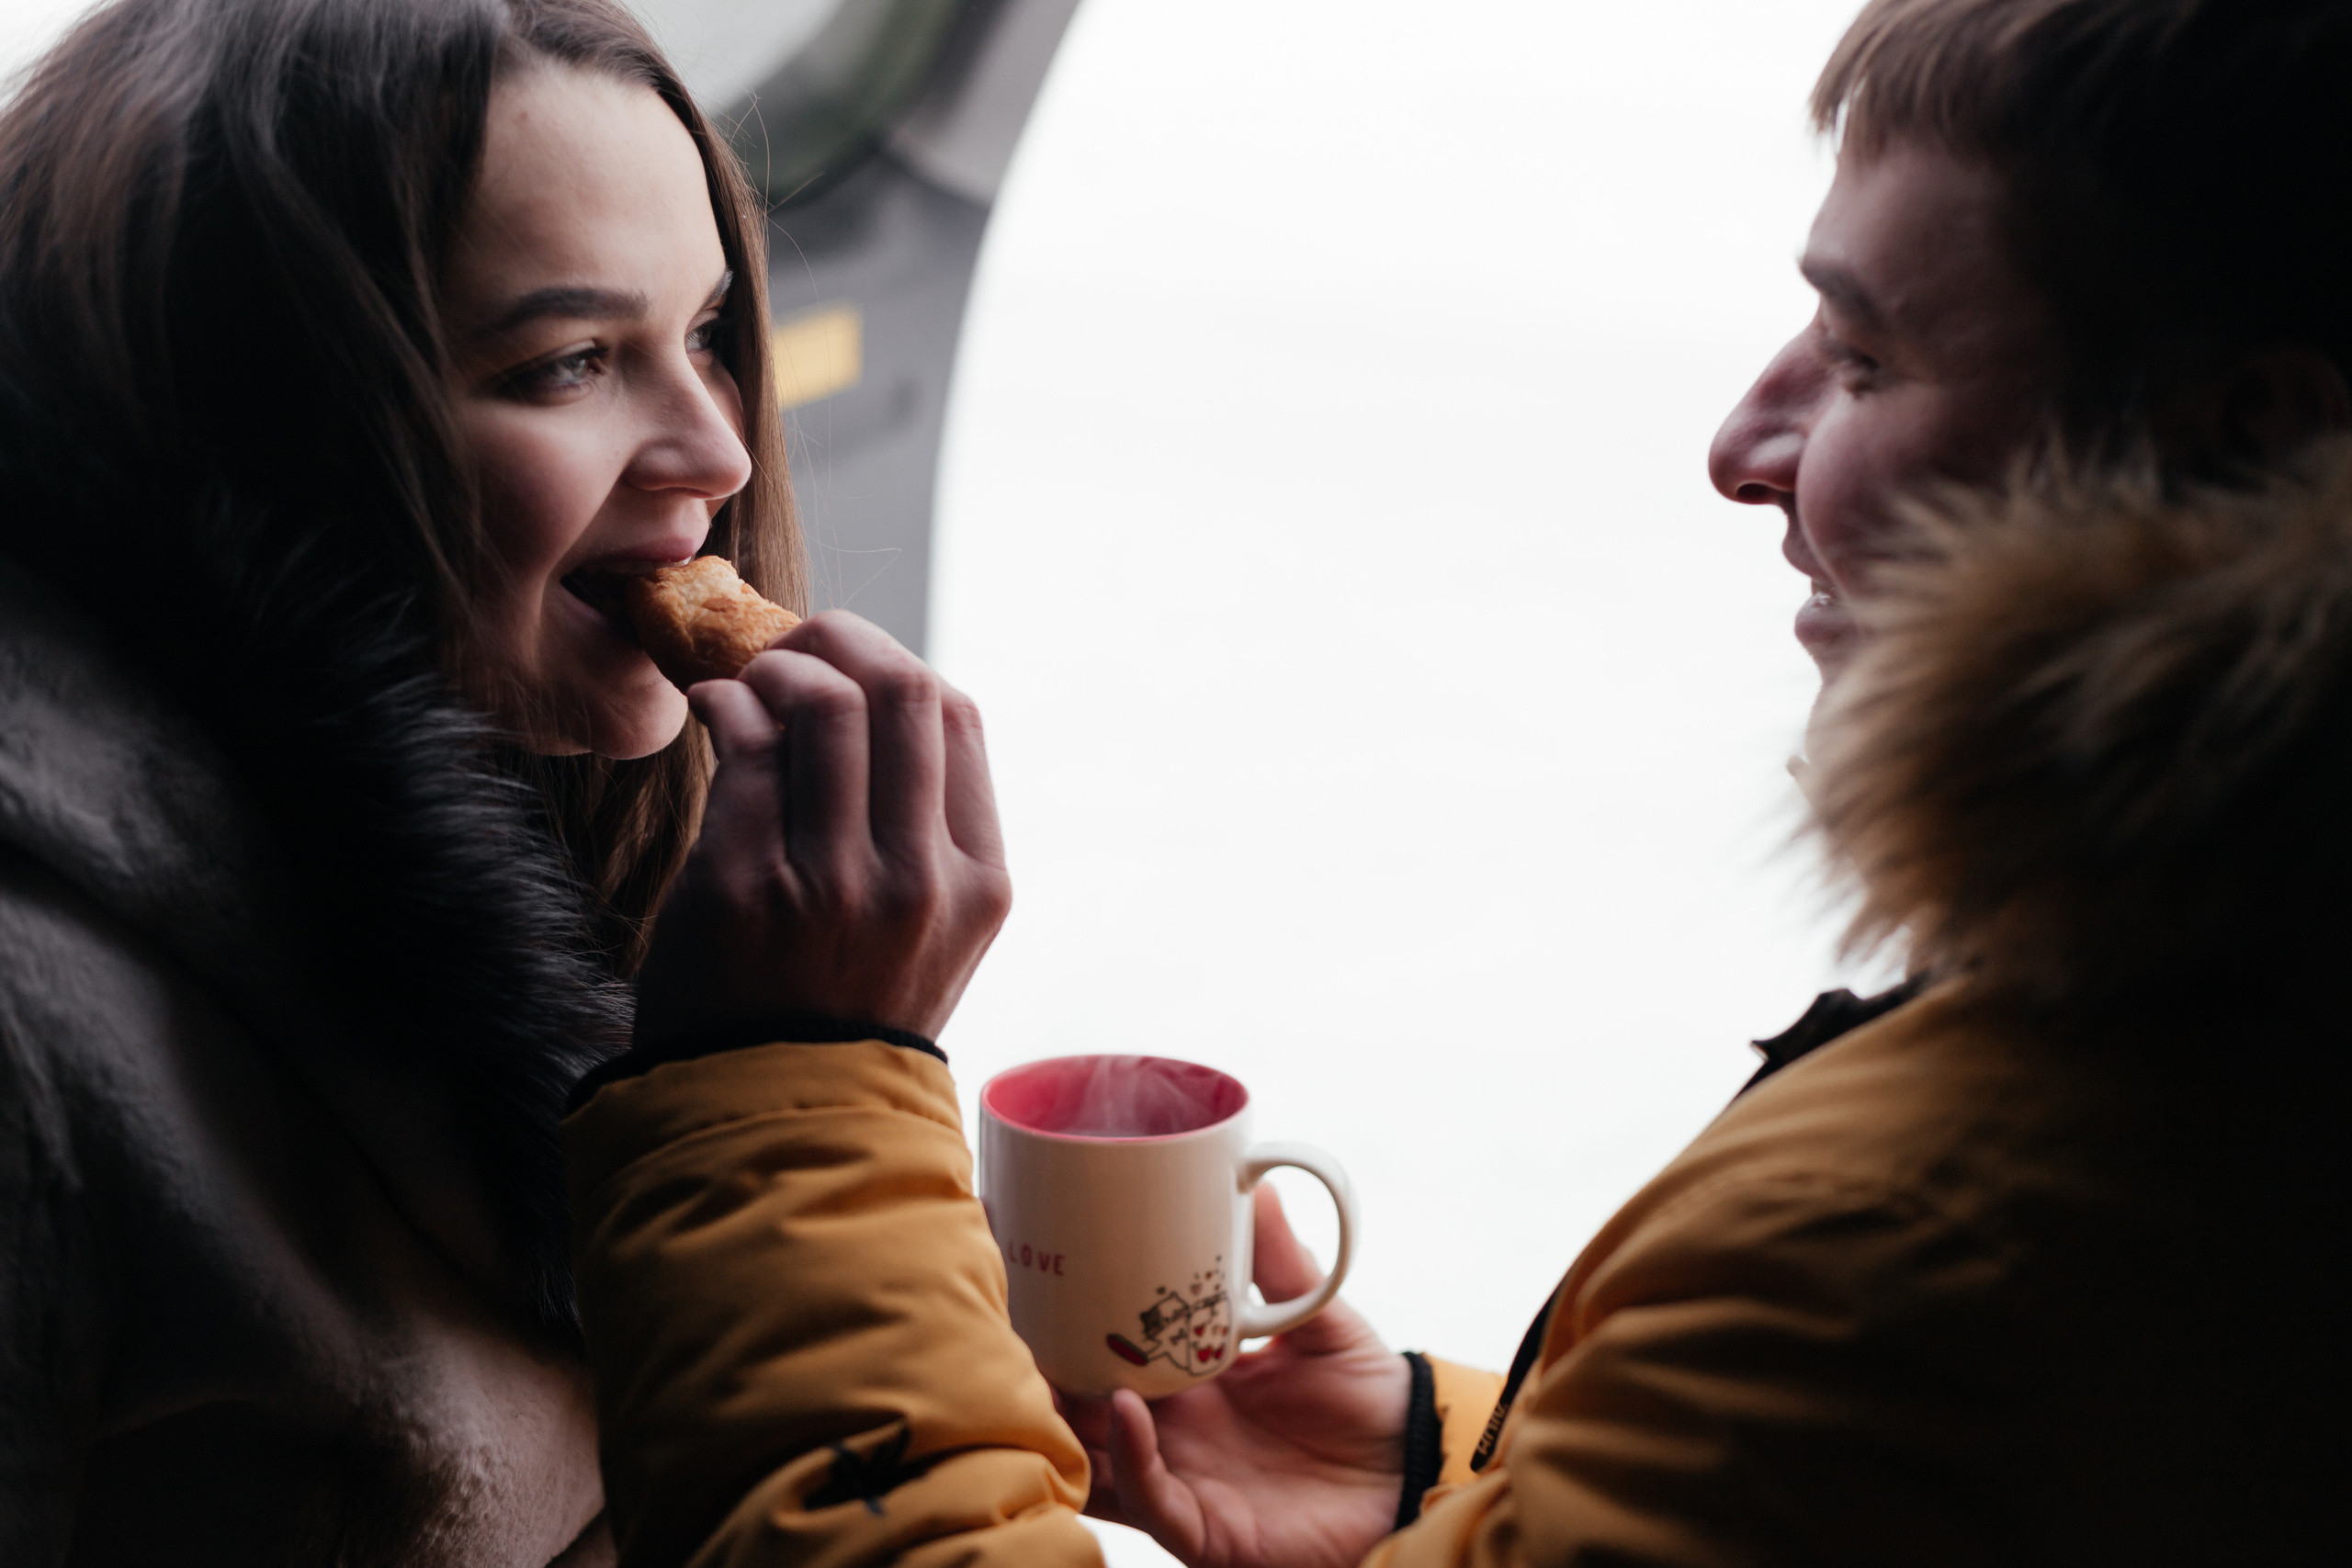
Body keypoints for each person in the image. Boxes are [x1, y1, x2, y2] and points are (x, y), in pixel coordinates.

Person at [553, 0, 2352, 1563]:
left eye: (1867, 353)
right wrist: (1457, 1475)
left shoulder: (1949, 1235)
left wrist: (776, 1085)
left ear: (2240, 443)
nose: (1741, 447)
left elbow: (1908, 1389)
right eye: (558, 358)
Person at [0, 0, 980, 1559]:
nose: (719, 450)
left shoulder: (576, 843)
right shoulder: (38, 1033)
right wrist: (809, 1093)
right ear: (263, 417)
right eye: (573, 360)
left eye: (712, 331)